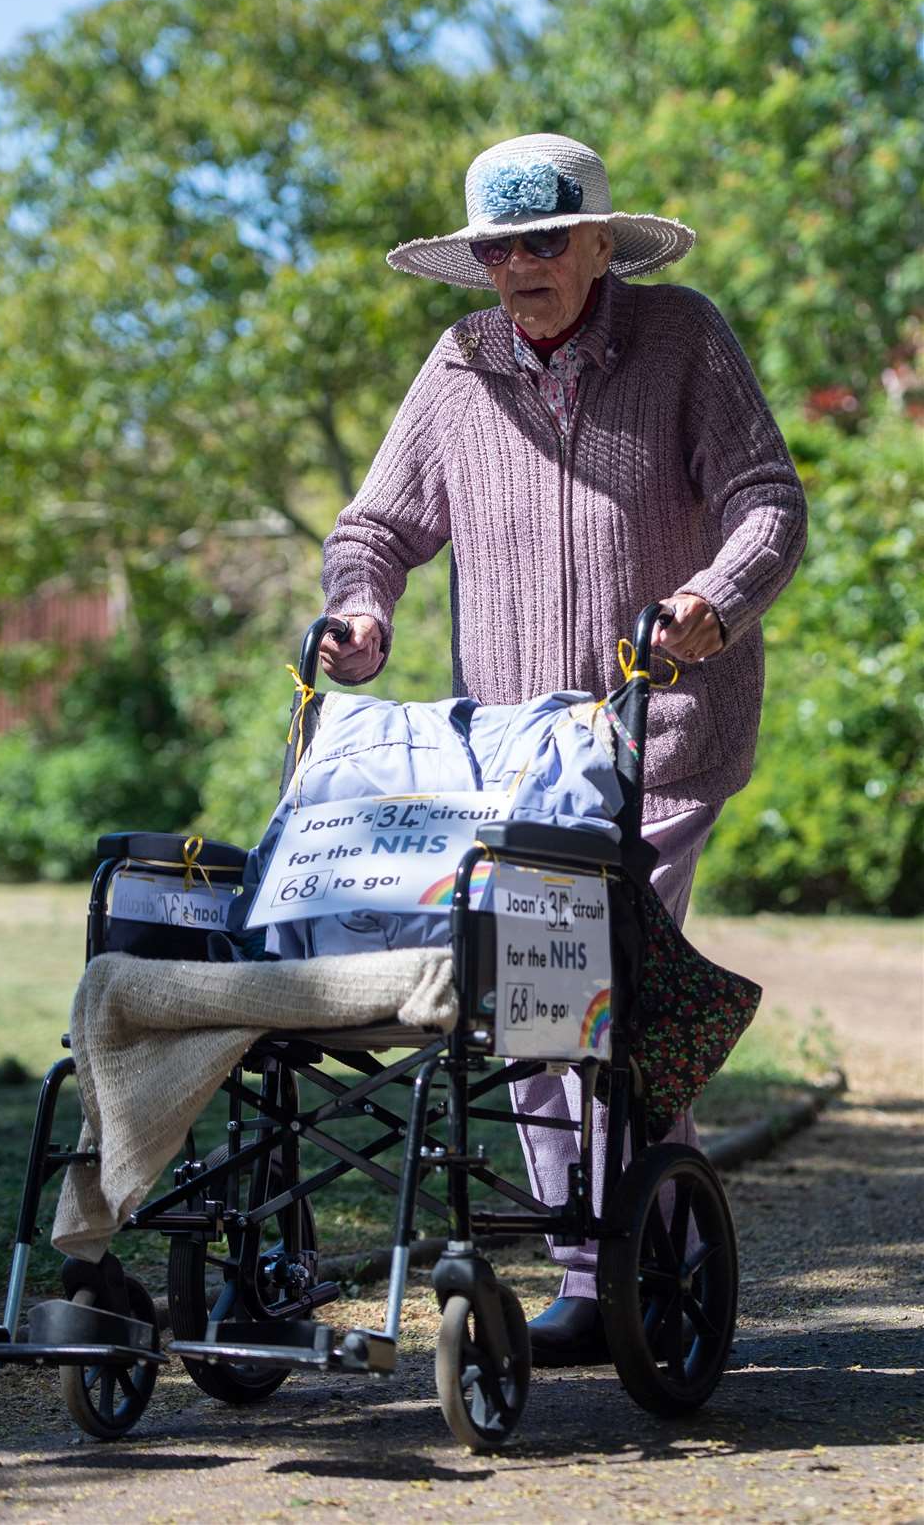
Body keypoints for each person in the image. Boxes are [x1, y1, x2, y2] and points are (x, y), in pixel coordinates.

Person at [317, 132, 807, 1366]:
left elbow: (767, 497)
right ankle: (609, 1261)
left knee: (574, 964)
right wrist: (362, 609)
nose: (520, 267)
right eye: (498, 248)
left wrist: (714, 599)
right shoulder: (460, 364)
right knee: (540, 986)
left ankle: (632, 1263)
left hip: (664, 730)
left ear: (601, 242)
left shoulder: (682, 337)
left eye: (544, 241)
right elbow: (377, 524)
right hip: (517, 750)